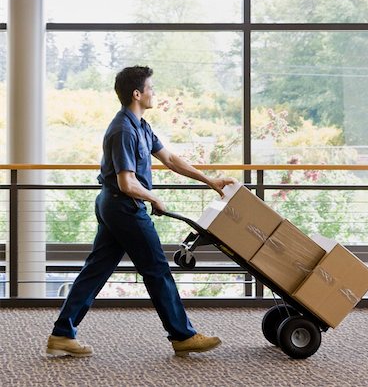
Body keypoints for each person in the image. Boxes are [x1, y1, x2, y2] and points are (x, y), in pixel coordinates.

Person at [46, 65, 235, 358]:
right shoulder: (122, 129)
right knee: (156, 269)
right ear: (137, 93)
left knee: (97, 269)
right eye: (151, 88)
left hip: (117, 205)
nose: (154, 92)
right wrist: (153, 198)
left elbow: (170, 158)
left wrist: (210, 180)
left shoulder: (140, 125)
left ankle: (62, 334)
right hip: (124, 206)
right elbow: (126, 182)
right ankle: (183, 335)